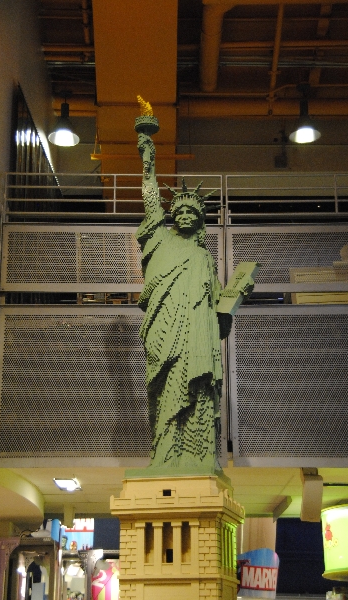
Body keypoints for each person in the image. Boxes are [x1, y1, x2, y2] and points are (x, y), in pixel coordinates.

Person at [136, 132, 232, 473]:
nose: (187, 215)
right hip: (166, 330)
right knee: (166, 390)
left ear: (201, 219)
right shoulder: (161, 240)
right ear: (173, 215)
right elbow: (151, 203)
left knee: (200, 391)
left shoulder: (205, 258)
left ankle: (199, 455)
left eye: (194, 211)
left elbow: (219, 313)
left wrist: (237, 297)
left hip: (197, 336)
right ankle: (165, 455)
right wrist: (148, 164)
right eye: (181, 210)